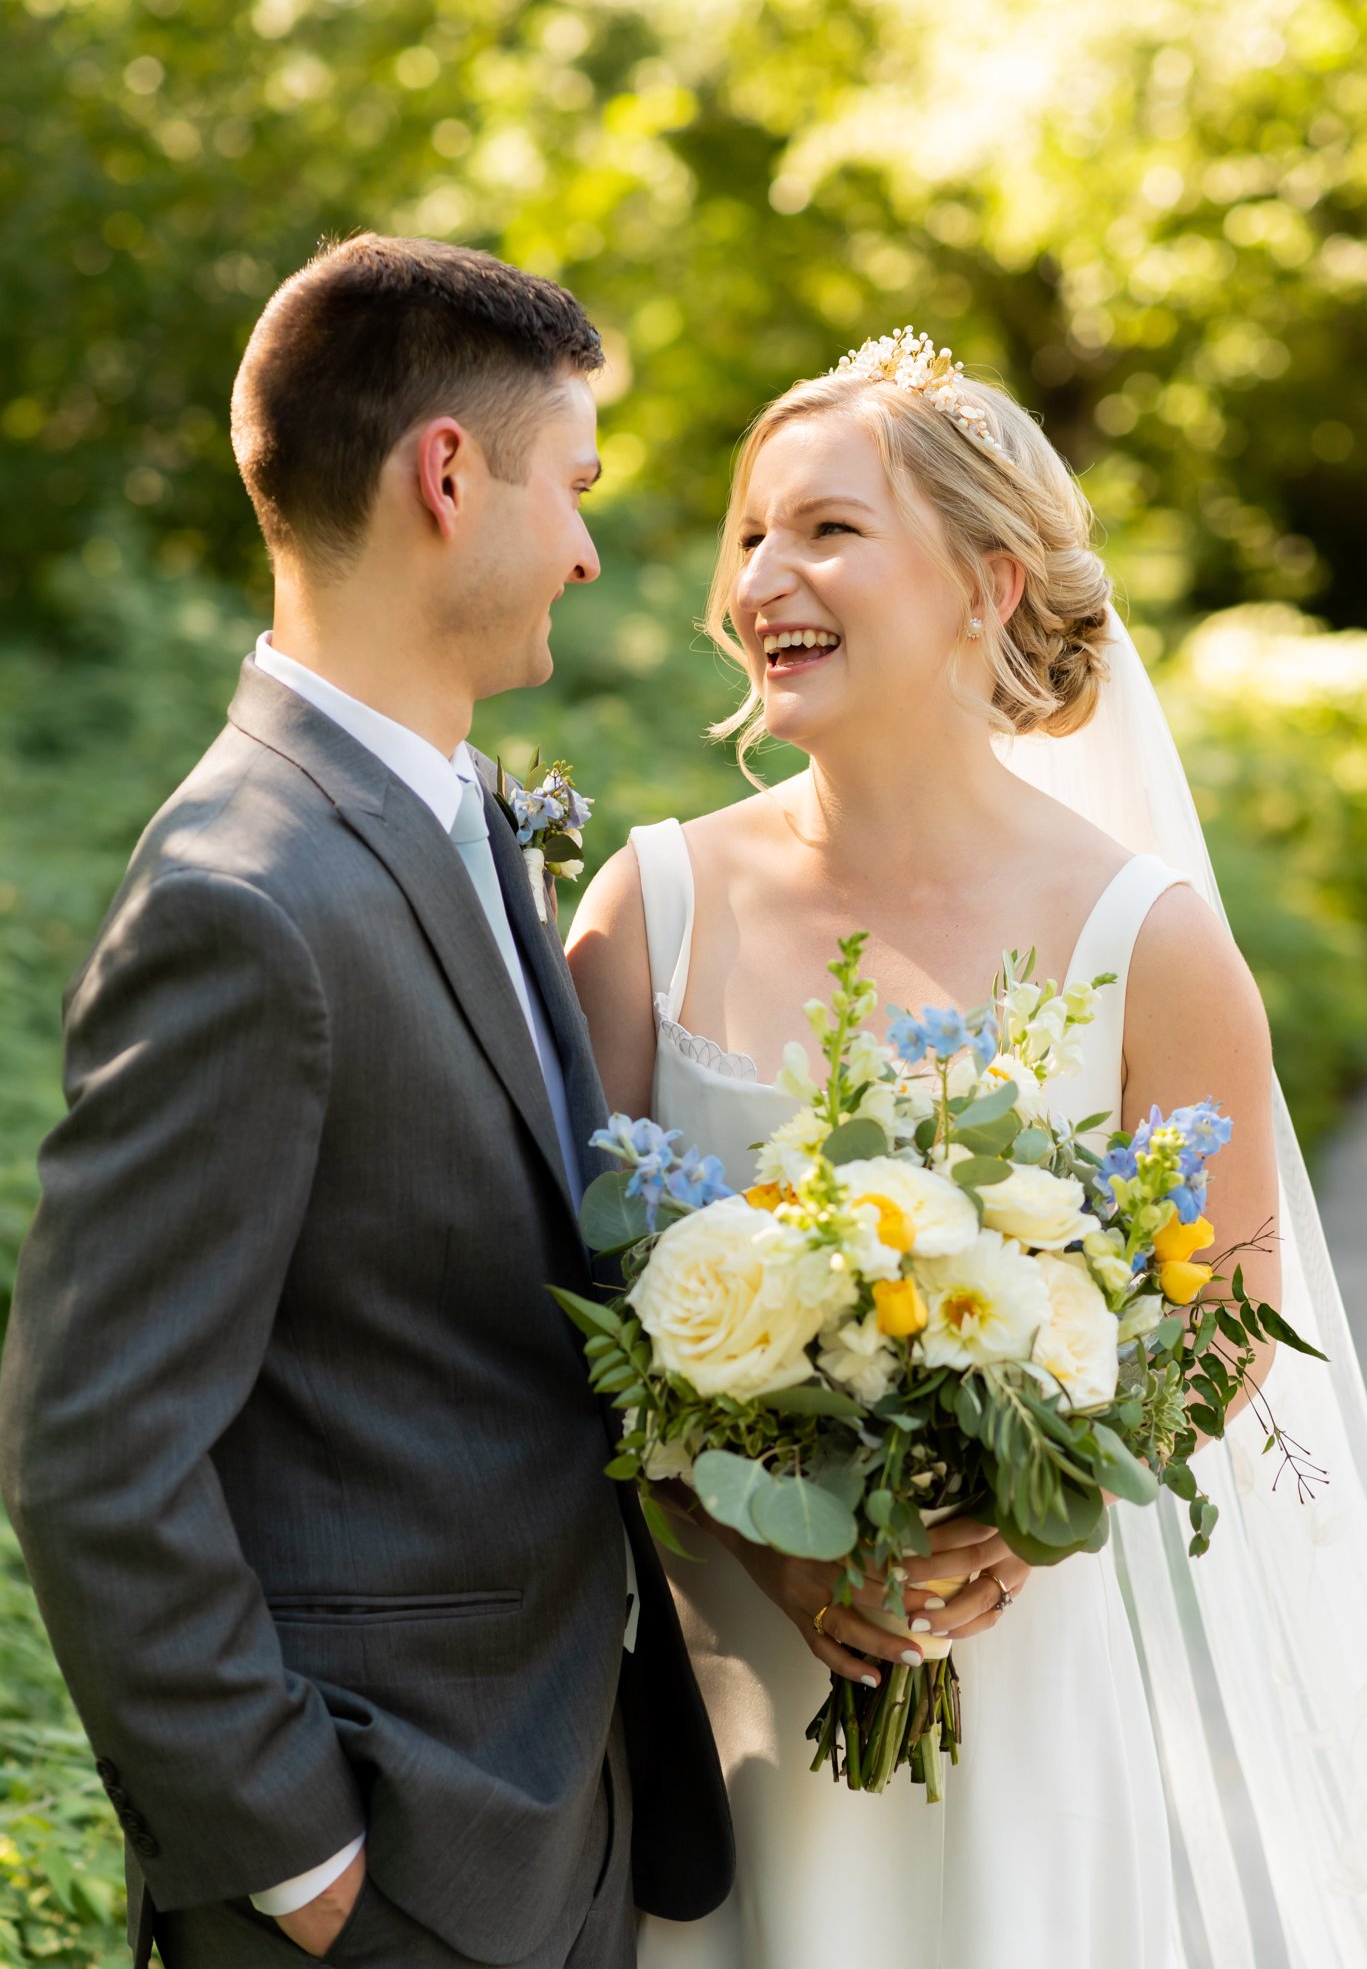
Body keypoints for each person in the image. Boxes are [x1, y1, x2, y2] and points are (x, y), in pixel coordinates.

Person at [0, 234, 731, 1969]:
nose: (589, 545)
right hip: (386, 1866)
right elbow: (92, 1445)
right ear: (449, 473)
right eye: (574, 485)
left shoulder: (456, 812)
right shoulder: (242, 900)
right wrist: (297, 1852)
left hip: (559, 1809)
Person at [566, 327, 1330, 1967]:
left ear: (989, 586)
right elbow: (565, 1302)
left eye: (830, 530)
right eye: (755, 532)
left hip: (1038, 1678)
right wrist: (774, 1551)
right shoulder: (650, 908)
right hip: (732, 1697)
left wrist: (1005, 1518)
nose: (766, 574)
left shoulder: (1150, 940)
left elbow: (1228, 1310)